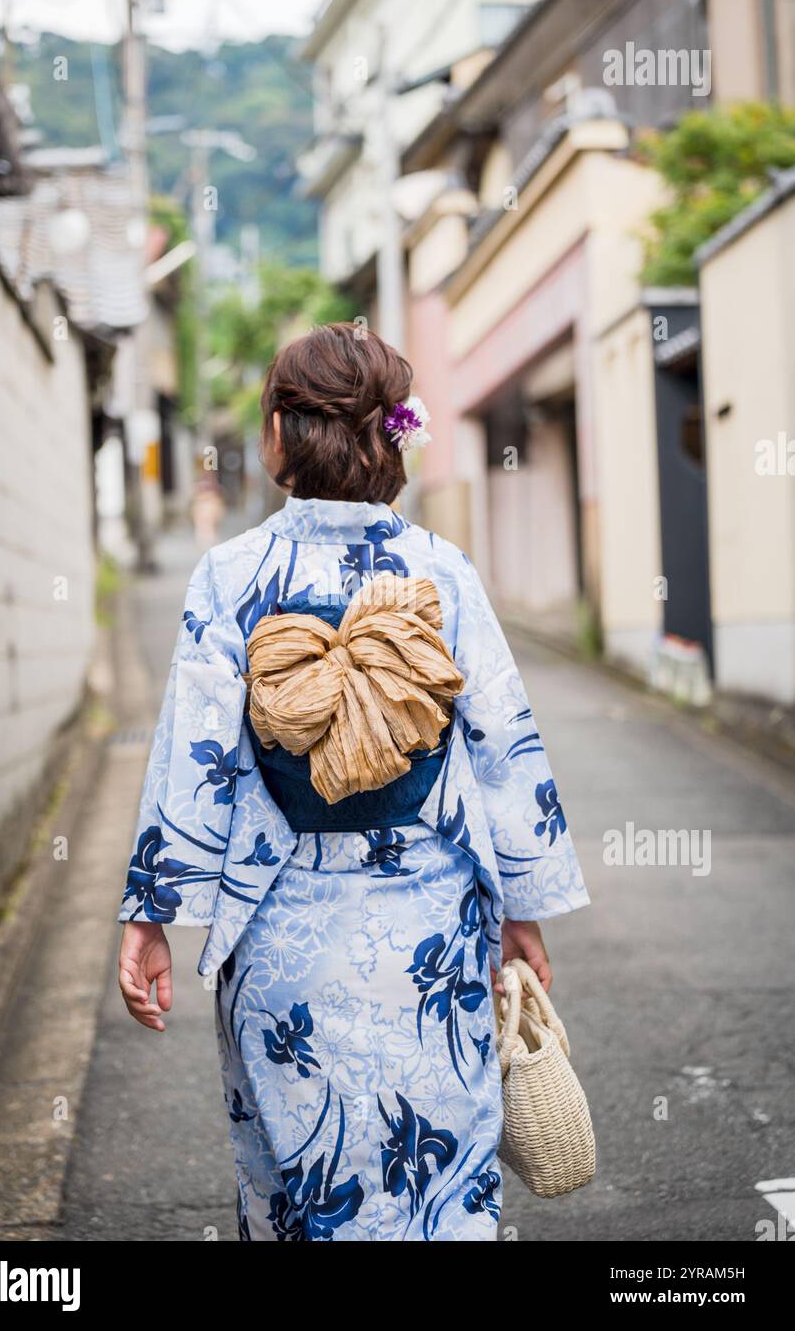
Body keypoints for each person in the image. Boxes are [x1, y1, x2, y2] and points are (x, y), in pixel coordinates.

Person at [117, 323, 590, 1242]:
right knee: (438, 1181)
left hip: (283, 932)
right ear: (392, 435)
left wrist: (151, 913)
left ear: (281, 435)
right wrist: (520, 911)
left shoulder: (232, 575)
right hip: (433, 930)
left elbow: (197, 760)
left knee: (304, 1183)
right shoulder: (441, 573)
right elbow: (503, 747)